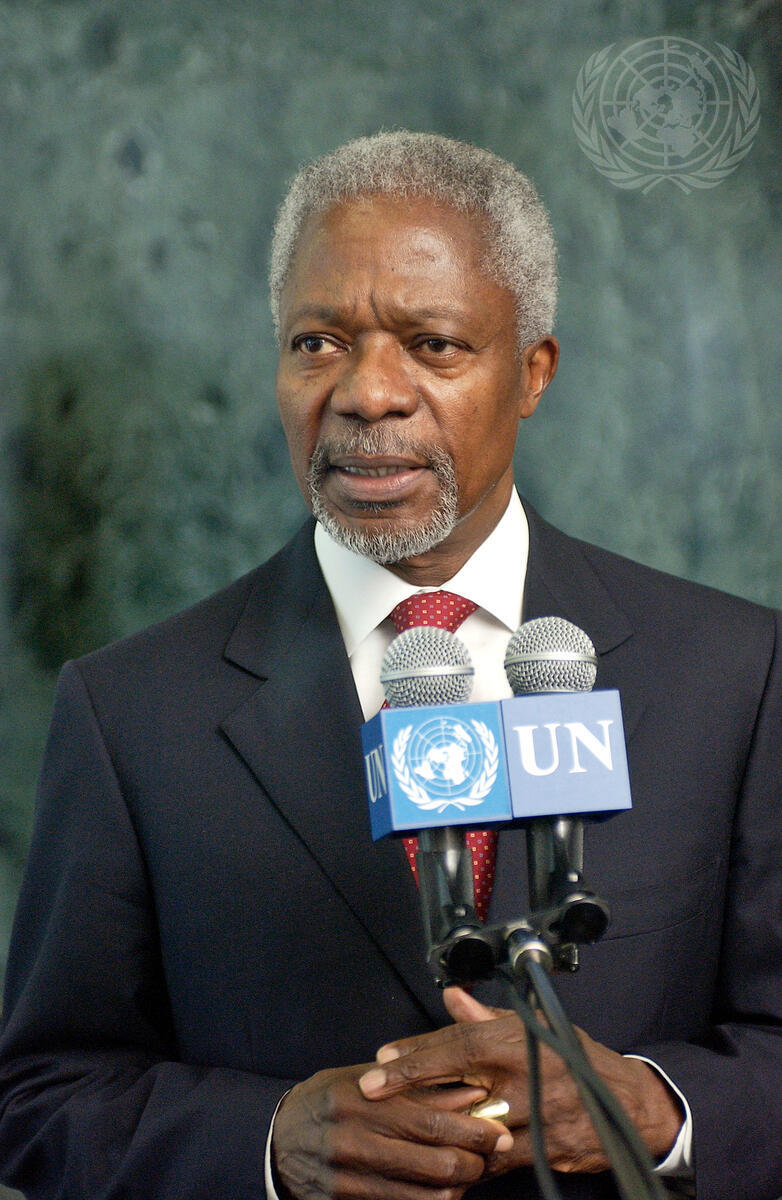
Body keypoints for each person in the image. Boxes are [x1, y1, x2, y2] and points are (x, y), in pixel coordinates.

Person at [1, 131, 781, 1200]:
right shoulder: (131, 711)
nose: (369, 393)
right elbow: (41, 1095)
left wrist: (651, 1109)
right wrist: (267, 1142)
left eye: (434, 344)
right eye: (318, 341)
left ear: (532, 372)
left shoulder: (736, 675)